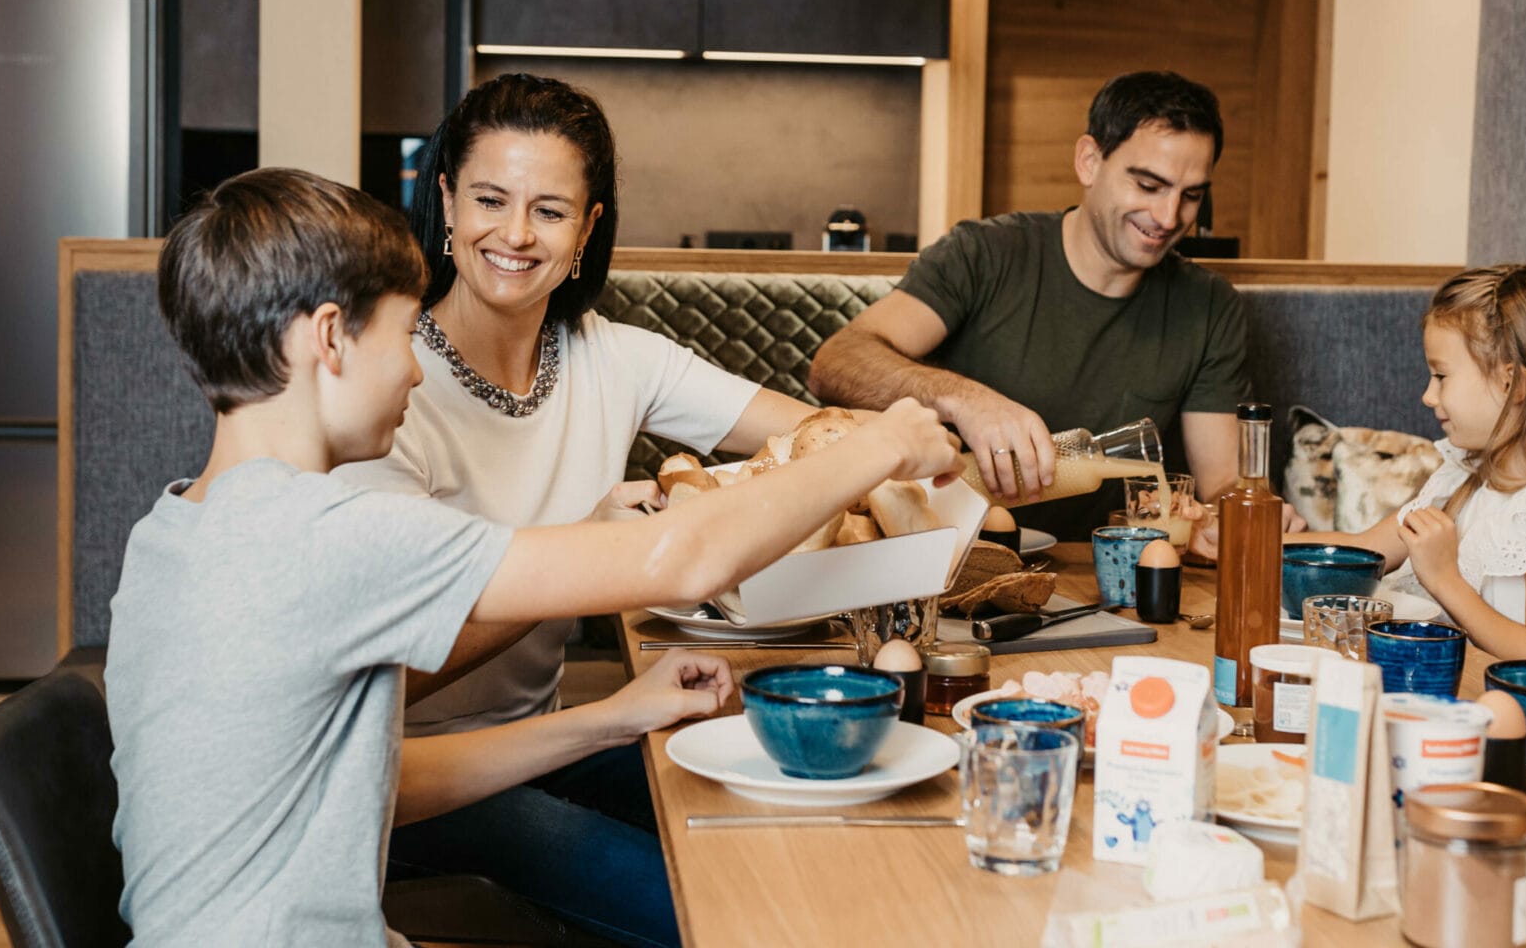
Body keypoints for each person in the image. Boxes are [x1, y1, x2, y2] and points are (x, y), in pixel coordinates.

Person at [104, 167, 959, 945]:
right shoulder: (327, 534)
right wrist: (876, 447)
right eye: (403, 335)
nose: (413, 372)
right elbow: (682, 561)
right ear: (330, 338)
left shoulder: (178, 530)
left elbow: (370, 780)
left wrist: (610, 718)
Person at [334, 73, 826, 943]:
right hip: (407, 778)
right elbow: (382, 685)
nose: (516, 235)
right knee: (706, 910)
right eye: (489, 198)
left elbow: (815, 433)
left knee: (791, 813)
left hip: (547, 740)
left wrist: (871, 453)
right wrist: (581, 560)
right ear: (445, 198)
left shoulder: (614, 358)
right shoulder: (387, 390)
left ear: (588, 228)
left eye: (550, 211)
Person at [808, 70, 1301, 543]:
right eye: (1148, 186)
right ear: (1089, 161)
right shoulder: (985, 254)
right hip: (954, 557)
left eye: (1190, 196)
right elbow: (837, 362)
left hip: (1108, 576)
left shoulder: (1208, 305)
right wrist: (964, 398)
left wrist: (1223, 519)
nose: (1169, 217)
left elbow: (1221, 487)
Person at [1291, 264, 1526, 665]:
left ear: (1512, 384)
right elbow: (1363, 549)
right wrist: (1242, 532)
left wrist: (1444, 579)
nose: (1428, 395)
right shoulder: (1461, 477)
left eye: (1440, 376)